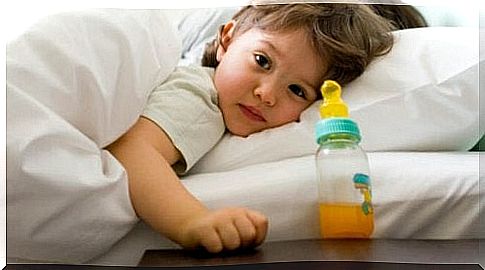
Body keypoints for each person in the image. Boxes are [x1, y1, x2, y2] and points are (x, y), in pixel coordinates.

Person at [105, 2, 398, 254]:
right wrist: (191, 221)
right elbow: (133, 151)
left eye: (297, 90)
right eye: (262, 61)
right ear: (227, 40)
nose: (267, 94)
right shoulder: (198, 96)